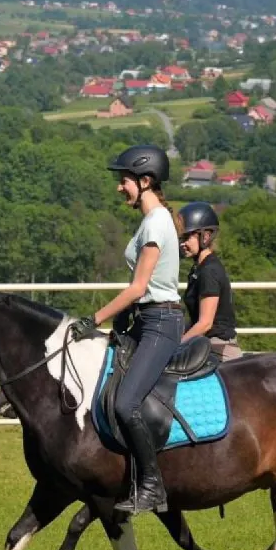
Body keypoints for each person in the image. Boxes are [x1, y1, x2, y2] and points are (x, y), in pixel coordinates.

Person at [70, 144, 182, 514]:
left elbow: (138, 287)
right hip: (145, 319)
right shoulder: (150, 221)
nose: (120, 187)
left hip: (161, 323)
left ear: (145, 181)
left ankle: (153, 486)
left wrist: (94, 319)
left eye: (125, 181)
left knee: (125, 401)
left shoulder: (156, 223)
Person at [177, 201, 241, 360]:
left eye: (187, 237)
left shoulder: (209, 271)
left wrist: (177, 344)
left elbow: (205, 323)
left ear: (205, 236)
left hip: (217, 348)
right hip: (205, 342)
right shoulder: (198, 268)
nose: (182, 243)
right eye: (181, 238)